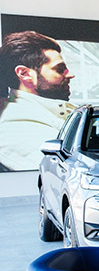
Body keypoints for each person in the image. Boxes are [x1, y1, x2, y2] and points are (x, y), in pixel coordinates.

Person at [0, 31, 76, 171]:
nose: (70, 75)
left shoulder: (50, 110)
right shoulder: (15, 129)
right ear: (25, 74)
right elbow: (69, 171)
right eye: (59, 69)